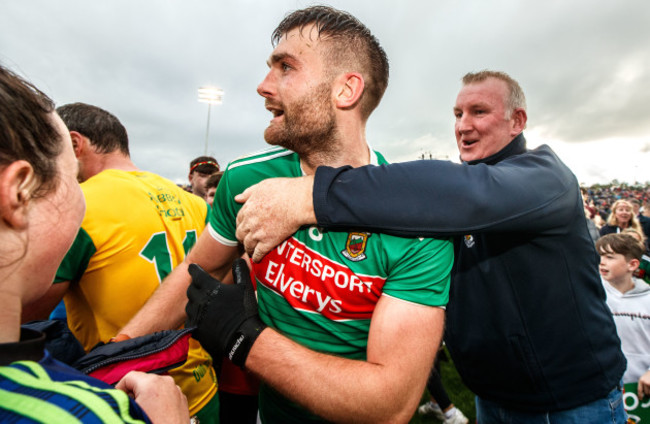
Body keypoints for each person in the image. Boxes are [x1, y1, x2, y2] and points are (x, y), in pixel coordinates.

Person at [119, 6, 453, 423]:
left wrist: (245, 339)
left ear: (345, 90)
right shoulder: (245, 178)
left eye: (285, 67)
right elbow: (194, 272)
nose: (263, 86)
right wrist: (119, 350)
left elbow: (389, 405)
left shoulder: (416, 225)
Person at [234, 70, 628, 422]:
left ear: (517, 121)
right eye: (457, 114)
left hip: (570, 404)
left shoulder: (546, 177)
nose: (463, 125)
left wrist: (312, 195)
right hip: (492, 399)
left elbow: (471, 195)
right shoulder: (445, 195)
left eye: (478, 111)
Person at [0, 64, 189, 423]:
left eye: (72, 174)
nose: (80, 191)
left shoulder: (96, 205)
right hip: (180, 378)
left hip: (112, 379)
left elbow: (35, 310)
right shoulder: (192, 202)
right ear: (17, 192)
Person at [21, 103, 219, 423]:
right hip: (198, 383)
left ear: (74, 144)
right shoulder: (193, 202)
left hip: (121, 393)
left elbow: (27, 313)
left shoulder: (83, 203)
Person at [596, 233, 650, 400]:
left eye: (610, 257)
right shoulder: (592, 294)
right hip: (603, 390)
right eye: (600, 256)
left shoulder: (647, 299)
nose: (602, 262)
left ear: (632, 264)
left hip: (642, 390)